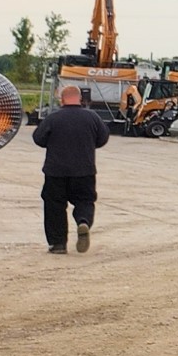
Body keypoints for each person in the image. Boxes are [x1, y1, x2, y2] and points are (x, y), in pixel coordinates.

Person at [32, 84, 108, 254]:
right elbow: (103, 138)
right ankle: (83, 222)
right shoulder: (92, 117)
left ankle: (58, 244)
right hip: (85, 170)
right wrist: (88, 144)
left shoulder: (53, 118)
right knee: (84, 200)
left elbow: (38, 138)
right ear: (80, 98)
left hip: (56, 171)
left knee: (54, 205)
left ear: (62, 99)